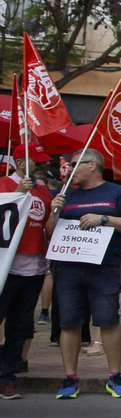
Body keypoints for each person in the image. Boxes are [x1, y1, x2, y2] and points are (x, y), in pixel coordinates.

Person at [44, 149, 121, 399]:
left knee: (108, 321)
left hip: (104, 268)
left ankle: (115, 376)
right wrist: (54, 211)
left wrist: (104, 219)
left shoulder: (117, 192)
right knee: (68, 323)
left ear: (92, 166)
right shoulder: (64, 194)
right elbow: (49, 232)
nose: (68, 170)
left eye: (74, 165)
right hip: (69, 268)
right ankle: (70, 378)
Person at [0, 169, 52, 399]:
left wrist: (56, 211)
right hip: (5, 265)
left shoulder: (44, 193)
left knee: (19, 324)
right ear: (21, 162)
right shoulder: (3, 184)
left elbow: (50, 229)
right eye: (36, 161)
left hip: (34, 266)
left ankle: (7, 377)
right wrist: (16, 195)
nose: (40, 165)